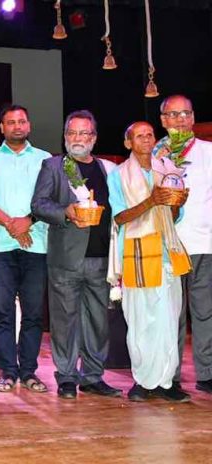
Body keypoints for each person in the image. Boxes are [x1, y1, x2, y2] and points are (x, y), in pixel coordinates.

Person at [31, 110, 120, 399]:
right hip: (66, 259)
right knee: (64, 321)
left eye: (84, 133)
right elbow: (39, 204)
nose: (77, 138)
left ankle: (93, 376)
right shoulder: (54, 166)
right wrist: (65, 211)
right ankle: (67, 376)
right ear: (65, 136)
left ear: (94, 137)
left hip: (101, 258)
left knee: (98, 322)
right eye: (72, 132)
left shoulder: (106, 169)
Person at [107, 121, 191, 402]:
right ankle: (142, 381)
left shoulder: (167, 169)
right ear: (128, 143)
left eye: (149, 135)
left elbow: (175, 216)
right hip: (136, 252)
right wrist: (152, 201)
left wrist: (177, 203)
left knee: (168, 320)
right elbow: (119, 217)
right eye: (139, 136)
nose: (145, 139)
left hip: (167, 252)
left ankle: (167, 382)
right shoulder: (119, 174)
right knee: (140, 321)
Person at [0, 104, 51, 393]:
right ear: (2, 128)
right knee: (2, 311)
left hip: (37, 244)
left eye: (21, 121)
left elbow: (50, 198)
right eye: (11, 122)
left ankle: (29, 371)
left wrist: (27, 221)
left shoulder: (46, 159)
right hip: (0, 245)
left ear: (29, 125)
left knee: (33, 314)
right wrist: (11, 224)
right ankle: (8, 371)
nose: (17, 126)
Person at [157, 95, 212, 397]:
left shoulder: (208, 151)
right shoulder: (153, 153)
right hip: (168, 246)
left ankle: (207, 373)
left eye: (185, 114)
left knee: (205, 312)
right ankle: (171, 374)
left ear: (193, 118)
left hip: (204, 243)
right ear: (163, 119)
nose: (180, 119)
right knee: (171, 314)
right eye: (173, 114)